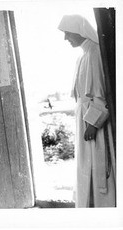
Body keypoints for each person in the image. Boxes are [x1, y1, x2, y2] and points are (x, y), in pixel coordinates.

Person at [58, 14, 116, 207]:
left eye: (67, 33)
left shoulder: (95, 53)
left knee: (99, 163)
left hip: (94, 121)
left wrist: (92, 123)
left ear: (79, 30)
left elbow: (101, 94)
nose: (66, 38)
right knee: (86, 164)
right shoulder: (83, 56)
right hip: (85, 117)